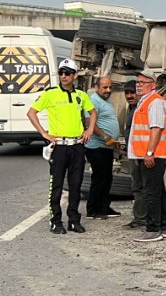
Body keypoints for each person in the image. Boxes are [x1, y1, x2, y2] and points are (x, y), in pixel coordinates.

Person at [27, 59, 96, 234]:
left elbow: (93, 112)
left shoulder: (81, 95)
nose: (63, 76)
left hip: (77, 147)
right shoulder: (50, 94)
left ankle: (73, 220)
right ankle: (55, 221)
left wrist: (89, 130)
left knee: (76, 185)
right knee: (56, 185)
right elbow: (31, 112)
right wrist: (44, 133)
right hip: (59, 147)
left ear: (74, 75)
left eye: (67, 73)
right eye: (61, 73)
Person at [130, 70, 166, 242]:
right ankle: (164, 225)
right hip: (153, 155)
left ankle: (153, 229)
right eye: (138, 82)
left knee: (151, 193)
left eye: (143, 82)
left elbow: (156, 128)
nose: (139, 85)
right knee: (158, 191)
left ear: (153, 85)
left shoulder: (154, 102)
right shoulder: (148, 101)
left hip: (153, 155)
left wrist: (149, 153)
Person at [84, 77, 122, 220]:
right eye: (105, 87)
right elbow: (89, 123)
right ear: (96, 87)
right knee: (99, 178)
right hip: (96, 147)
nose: (108, 90)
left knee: (107, 178)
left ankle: (104, 207)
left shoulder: (105, 102)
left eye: (109, 87)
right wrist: (106, 137)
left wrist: (113, 141)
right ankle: (92, 209)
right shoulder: (93, 101)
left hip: (106, 147)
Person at [122, 79, 147, 229]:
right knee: (138, 186)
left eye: (132, 93)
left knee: (139, 187)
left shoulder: (140, 109)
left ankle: (141, 219)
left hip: (139, 155)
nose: (129, 96)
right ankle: (141, 217)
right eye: (127, 93)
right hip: (134, 153)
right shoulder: (132, 109)